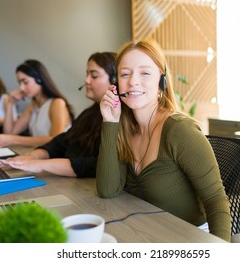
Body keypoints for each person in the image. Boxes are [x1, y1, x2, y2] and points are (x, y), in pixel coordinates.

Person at [96, 38, 231, 242]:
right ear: (116, 84)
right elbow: (107, 190)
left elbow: (216, 200)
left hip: (190, 237)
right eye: (125, 74)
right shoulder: (125, 129)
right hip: (149, 233)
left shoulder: (180, 131)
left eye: (145, 73)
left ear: (162, 82)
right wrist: (110, 121)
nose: (133, 81)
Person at [0, 52, 117, 177]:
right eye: (87, 74)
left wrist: (40, 164)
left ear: (114, 80)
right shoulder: (89, 113)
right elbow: (63, 141)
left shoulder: (118, 118)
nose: (86, 80)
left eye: (94, 75)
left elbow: (97, 164)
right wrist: (32, 156)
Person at [0, 59, 74, 148]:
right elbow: (9, 132)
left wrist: (14, 139)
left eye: (25, 82)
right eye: (20, 83)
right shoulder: (33, 106)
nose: (21, 88)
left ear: (39, 79)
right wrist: (11, 103)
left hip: (56, 159)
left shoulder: (57, 103)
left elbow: (56, 140)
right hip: (39, 157)